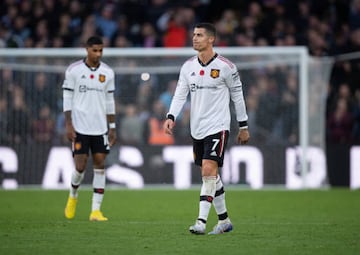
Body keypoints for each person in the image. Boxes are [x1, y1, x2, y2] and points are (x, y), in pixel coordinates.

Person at [163, 23, 250, 235]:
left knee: (208, 170)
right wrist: (171, 116)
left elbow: (238, 96)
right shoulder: (187, 67)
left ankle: (201, 222)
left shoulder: (226, 67)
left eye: (199, 35)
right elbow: (180, 94)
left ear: (211, 39)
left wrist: (243, 125)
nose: (194, 38)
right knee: (211, 176)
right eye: (193, 35)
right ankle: (224, 221)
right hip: (197, 128)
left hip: (218, 126)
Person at [62, 36, 116, 221]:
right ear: (86, 49)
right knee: (80, 166)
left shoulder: (108, 73)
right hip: (80, 127)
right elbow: (67, 98)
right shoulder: (74, 71)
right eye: (94, 50)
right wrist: (68, 124)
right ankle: (73, 196)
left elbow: (110, 101)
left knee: (100, 165)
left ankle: (95, 210)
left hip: (100, 128)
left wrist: (112, 127)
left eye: (101, 50)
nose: (98, 54)